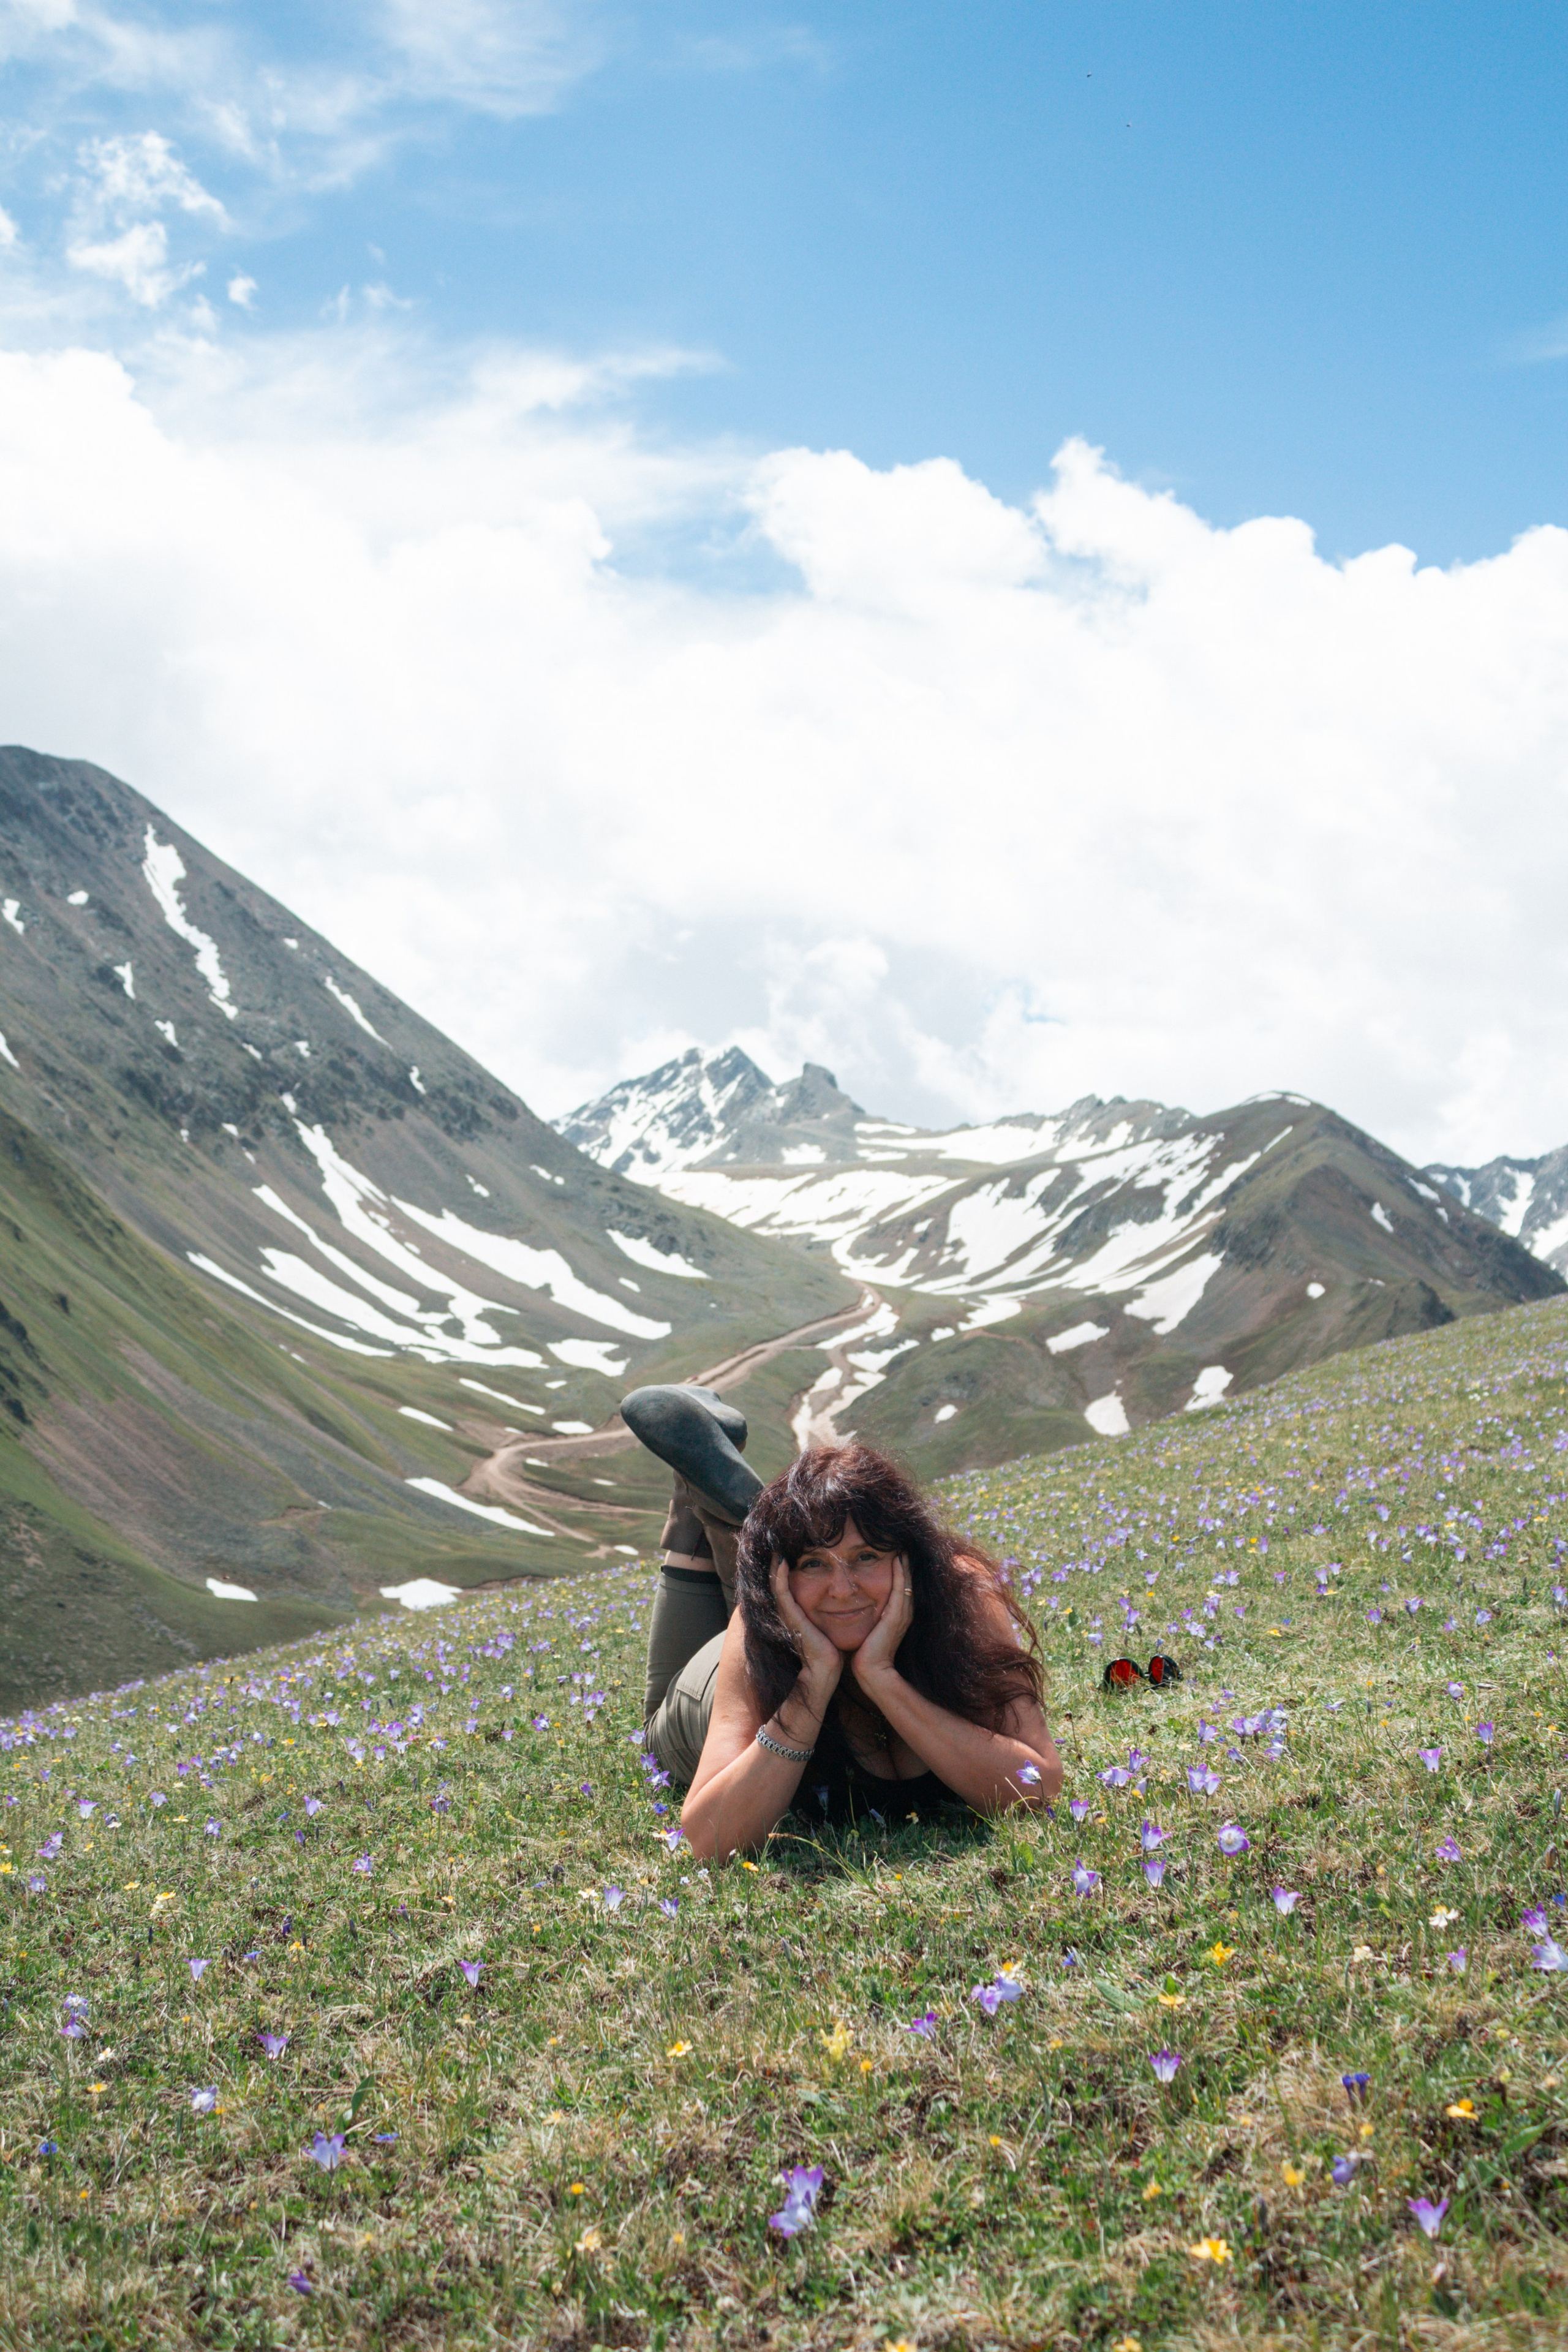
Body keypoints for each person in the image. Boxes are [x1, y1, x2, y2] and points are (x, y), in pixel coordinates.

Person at [620, 1384, 1063, 1863]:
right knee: (656, 1722)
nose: (843, 1587)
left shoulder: (961, 1593)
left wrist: (882, 1678)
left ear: (909, 1556)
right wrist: (811, 1686)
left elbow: (1039, 1786)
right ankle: (699, 1500)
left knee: (797, 1586)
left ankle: (755, 1532)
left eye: (866, 1556)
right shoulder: (755, 1625)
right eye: (813, 1562)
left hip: (788, 1607)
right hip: (727, 1675)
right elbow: (709, 1840)